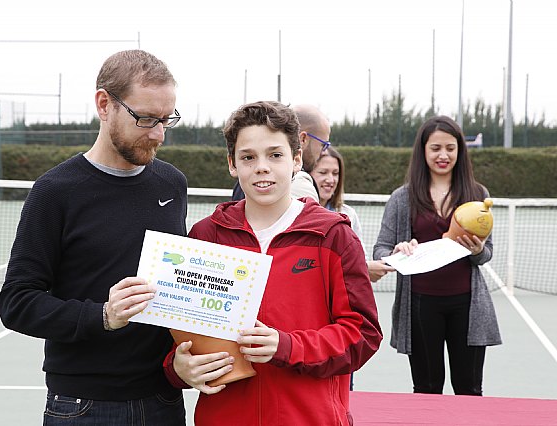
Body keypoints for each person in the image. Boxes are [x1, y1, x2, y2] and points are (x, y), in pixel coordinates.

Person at [0, 50, 188, 425]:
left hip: (164, 400)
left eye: (167, 120)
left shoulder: (172, 184)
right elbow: (17, 303)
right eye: (146, 118)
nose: (158, 134)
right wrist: (102, 315)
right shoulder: (54, 192)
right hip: (82, 406)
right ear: (104, 104)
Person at [165, 101, 382, 425]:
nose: (262, 167)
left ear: (297, 160)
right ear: (232, 164)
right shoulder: (205, 236)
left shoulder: (334, 237)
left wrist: (288, 346)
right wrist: (178, 367)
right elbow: (182, 332)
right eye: (248, 157)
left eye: (275, 155)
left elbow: (362, 334)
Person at [373, 115, 501, 396]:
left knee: (469, 390)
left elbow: (486, 252)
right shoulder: (402, 198)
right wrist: (398, 251)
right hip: (420, 305)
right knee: (426, 390)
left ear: (460, 151)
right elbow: (381, 249)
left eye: (450, 148)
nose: (443, 155)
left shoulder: (477, 193)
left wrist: (478, 251)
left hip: (467, 305)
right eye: (435, 148)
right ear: (423, 151)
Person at [311, 147, 395, 283]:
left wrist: (366, 268)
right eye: (323, 172)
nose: (331, 179)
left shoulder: (348, 214)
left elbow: (359, 260)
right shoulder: (296, 212)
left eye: (335, 173)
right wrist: (364, 268)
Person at [230, 103, 330, 202]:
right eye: (323, 144)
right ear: (302, 139)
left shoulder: (243, 183)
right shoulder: (299, 184)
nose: (324, 152)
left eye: (275, 155)